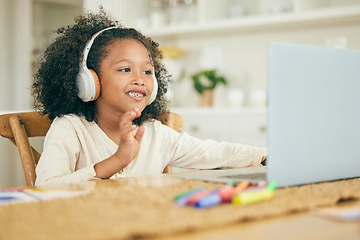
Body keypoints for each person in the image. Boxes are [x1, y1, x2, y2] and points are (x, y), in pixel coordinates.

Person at [32, 8, 267, 186]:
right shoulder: (70, 129)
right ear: (88, 82)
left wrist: (264, 156)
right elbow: (46, 188)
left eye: (147, 71)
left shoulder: (155, 133)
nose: (140, 79)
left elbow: (212, 153)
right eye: (125, 69)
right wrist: (116, 161)